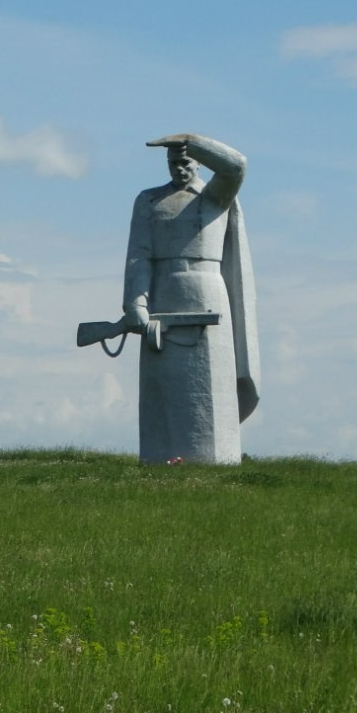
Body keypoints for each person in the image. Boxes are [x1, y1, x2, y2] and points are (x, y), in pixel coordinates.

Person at [123, 133, 259, 464]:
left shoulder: (215, 197)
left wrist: (191, 140)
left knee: (211, 380)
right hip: (163, 290)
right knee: (163, 383)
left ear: (199, 161)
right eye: (173, 163)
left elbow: (237, 165)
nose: (179, 168)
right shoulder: (149, 201)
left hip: (207, 290)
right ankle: (161, 456)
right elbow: (138, 255)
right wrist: (136, 305)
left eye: (185, 161)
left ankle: (214, 458)